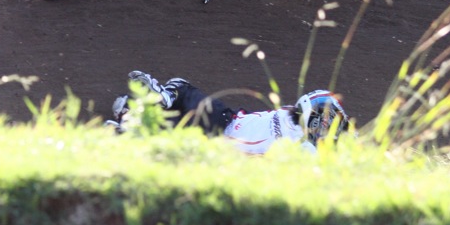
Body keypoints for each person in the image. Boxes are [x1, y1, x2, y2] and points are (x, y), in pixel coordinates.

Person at [109, 70, 350, 155]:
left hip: (222, 119)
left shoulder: (290, 114)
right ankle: (129, 125)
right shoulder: (306, 149)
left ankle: (157, 102)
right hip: (220, 146)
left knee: (181, 87)